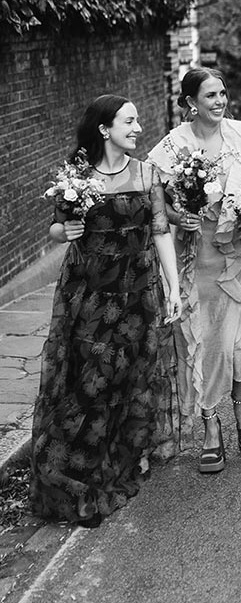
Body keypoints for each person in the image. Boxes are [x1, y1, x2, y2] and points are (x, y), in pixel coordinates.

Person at [29, 95, 182, 527]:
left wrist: (174, 287)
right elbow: (59, 227)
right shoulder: (77, 174)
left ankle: (117, 460)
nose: (137, 128)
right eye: (129, 121)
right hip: (91, 296)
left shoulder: (147, 173)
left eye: (137, 121)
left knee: (128, 378)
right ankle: (82, 476)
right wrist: (67, 230)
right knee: (89, 383)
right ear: (104, 129)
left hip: (136, 295)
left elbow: (160, 230)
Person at [149, 68, 241, 474]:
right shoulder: (172, 147)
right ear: (190, 103)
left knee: (240, 334)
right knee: (203, 339)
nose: (219, 101)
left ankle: (240, 402)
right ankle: (209, 422)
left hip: (239, 255)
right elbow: (158, 204)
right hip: (196, 257)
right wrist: (177, 214)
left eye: (222, 93)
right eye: (209, 96)